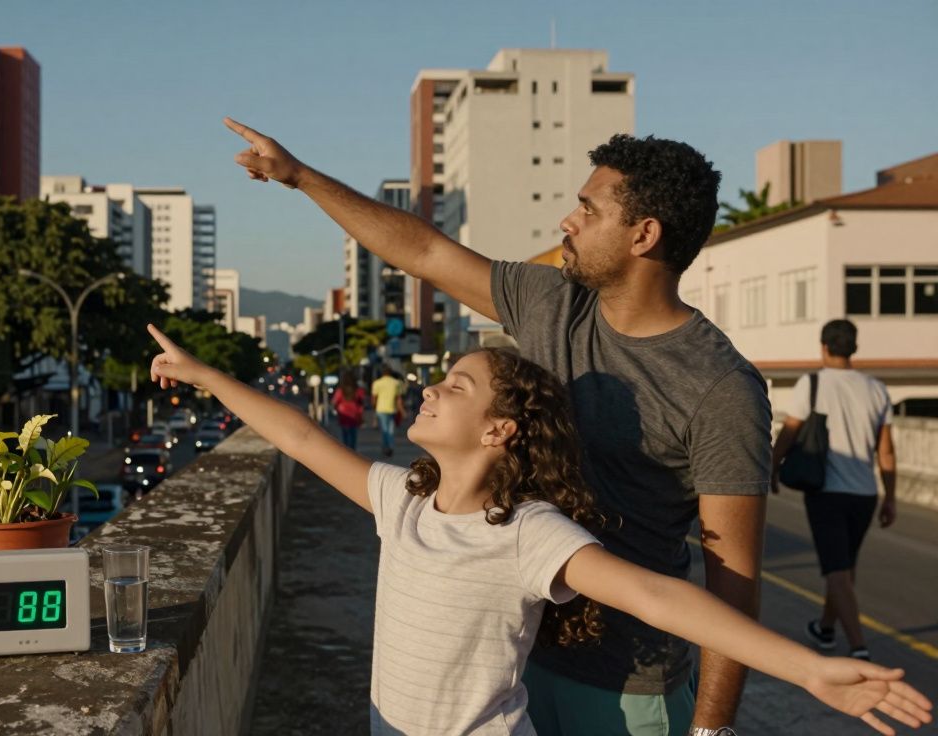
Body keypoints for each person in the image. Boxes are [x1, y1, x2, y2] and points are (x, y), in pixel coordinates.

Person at [225, 118, 771, 736]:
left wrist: (710, 729)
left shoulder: (720, 388)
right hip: (511, 661)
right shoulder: (553, 302)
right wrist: (299, 177)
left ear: (644, 235)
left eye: (589, 210)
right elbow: (426, 253)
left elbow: (734, 580)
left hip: (625, 685)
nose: (568, 221)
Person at [146, 323, 930, 736]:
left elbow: (658, 598)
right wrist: (205, 374)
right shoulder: (404, 501)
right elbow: (299, 437)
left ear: (499, 431)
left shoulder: (527, 532)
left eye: (456, 386)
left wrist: (807, 669)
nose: (432, 390)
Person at [771, 319, 896, 662]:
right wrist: (890, 498)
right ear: (854, 347)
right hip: (865, 494)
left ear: (824, 347)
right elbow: (886, 451)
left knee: (837, 568)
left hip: (826, 491)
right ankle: (825, 628)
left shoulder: (811, 383)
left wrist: (772, 468)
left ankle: (858, 646)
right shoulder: (876, 389)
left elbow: (789, 432)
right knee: (844, 564)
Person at [370, 366, 405, 457]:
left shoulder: (377, 383)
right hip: (392, 408)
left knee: (384, 430)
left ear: (382, 373)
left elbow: (374, 398)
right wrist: (402, 410)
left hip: (380, 409)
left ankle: (386, 447)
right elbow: (399, 398)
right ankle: (390, 446)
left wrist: (373, 408)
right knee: (391, 429)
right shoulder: (396, 383)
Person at [332, 371, 367, 450]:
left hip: (343, 414)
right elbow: (361, 404)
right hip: (354, 414)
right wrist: (361, 415)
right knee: (353, 435)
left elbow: (335, 402)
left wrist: (336, 410)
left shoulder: (340, 390)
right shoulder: (358, 390)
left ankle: (346, 451)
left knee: (345, 435)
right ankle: (352, 451)